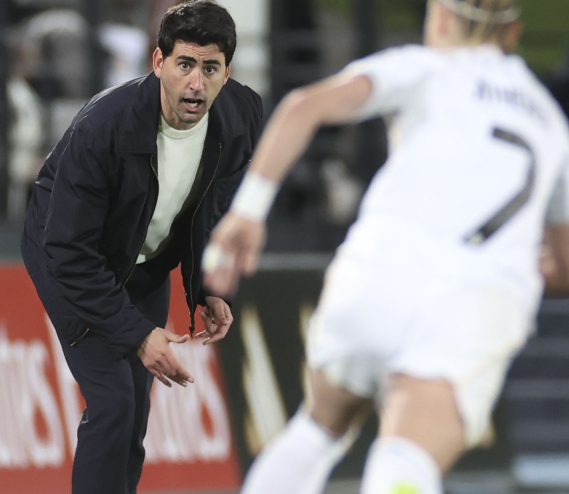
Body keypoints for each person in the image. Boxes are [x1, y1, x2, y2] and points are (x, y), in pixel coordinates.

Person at [202, 0, 569, 493]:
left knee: (318, 428)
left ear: (440, 17)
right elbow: (563, 265)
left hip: (380, 271)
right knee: (406, 461)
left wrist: (248, 211)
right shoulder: (551, 121)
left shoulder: (426, 67)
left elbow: (302, 106)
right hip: (473, 299)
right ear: (515, 32)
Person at [20, 1, 262, 492]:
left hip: (145, 261)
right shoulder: (103, 128)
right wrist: (136, 332)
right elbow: (68, 250)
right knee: (113, 402)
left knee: (134, 410)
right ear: (158, 63)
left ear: (226, 72)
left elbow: (211, 209)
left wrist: (207, 288)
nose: (196, 83)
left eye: (209, 68)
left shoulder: (241, 114)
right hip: (70, 254)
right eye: (184, 64)